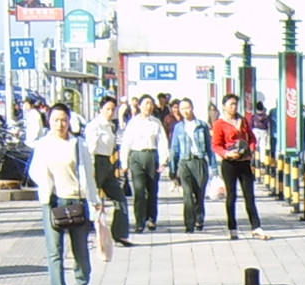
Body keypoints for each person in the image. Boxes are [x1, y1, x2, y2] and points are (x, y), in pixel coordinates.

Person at [27, 103, 98, 285]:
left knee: (80, 250)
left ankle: (82, 280)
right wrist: (45, 185)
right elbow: (34, 171)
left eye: (64, 120)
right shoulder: (43, 145)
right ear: (49, 121)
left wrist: (94, 201)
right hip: (53, 201)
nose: (60, 124)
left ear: (69, 121)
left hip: (76, 200)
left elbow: (88, 175)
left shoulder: (78, 144)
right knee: (54, 251)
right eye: (56, 120)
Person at [214, 92, 265, 239]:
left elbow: (252, 138)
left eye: (235, 104)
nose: (234, 107)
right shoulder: (219, 124)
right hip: (229, 163)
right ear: (224, 107)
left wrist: (251, 149)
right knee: (231, 196)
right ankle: (232, 227)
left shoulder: (242, 120)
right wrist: (226, 154)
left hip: (244, 161)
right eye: (231, 104)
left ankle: (256, 226)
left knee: (249, 195)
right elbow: (216, 145)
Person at [83, 97, 131, 246]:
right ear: (101, 109)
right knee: (92, 199)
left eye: (113, 109)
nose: (110, 112)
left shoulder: (110, 125)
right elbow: (89, 148)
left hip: (108, 163)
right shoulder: (95, 125)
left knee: (120, 197)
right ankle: (84, 234)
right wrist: (90, 170)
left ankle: (120, 233)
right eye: (107, 109)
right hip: (96, 162)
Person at [120, 95, 169, 233]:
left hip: (152, 156)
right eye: (146, 103)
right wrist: (124, 162)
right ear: (140, 106)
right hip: (136, 157)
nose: (149, 106)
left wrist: (164, 159)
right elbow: (126, 143)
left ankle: (151, 218)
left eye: (151, 104)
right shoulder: (133, 123)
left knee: (152, 190)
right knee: (139, 190)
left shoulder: (156, 122)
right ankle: (139, 221)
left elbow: (162, 142)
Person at [171, 98, 215, 233]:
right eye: (182, 108)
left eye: (187, 107)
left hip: (199, 161)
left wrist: (214, 167)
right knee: (187, 194)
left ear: (192, 108)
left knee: (199, 194)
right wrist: (173, 169)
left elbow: (209, 147)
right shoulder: (178, 127)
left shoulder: (202, 125)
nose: (185, 111)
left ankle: (199, 218)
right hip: (185, 162)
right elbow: (175, 149)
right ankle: (189, 223)